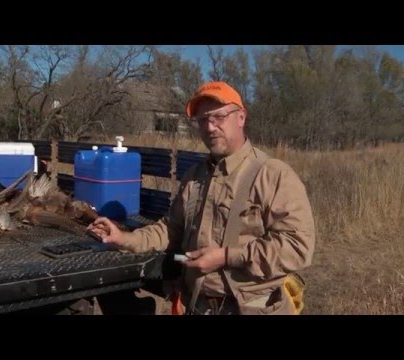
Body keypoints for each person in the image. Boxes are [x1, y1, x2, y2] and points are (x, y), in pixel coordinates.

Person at [88, 81, 315, 315]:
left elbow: (297, 247)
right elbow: (169, 230)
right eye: (202, 120)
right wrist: (123, 238)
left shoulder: (274, 175)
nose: (210, 126)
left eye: (219, 116)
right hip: (197, 305)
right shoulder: (194, 177)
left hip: (252, 308)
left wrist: (227, 257)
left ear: (241, 117)